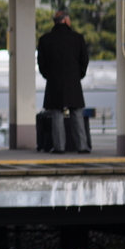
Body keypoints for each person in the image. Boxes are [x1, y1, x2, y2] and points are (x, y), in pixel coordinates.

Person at [37, 11, 90, 154]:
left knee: (56, 114)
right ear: (66, 21)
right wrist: (79, 74)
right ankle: (82, 146)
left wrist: (48, 75)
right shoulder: (77, 38)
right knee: (77, 113)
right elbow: (84, 59)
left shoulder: (45, 39)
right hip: (73, 81)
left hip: (54, 81)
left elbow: (41, 62)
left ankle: (59, 147)